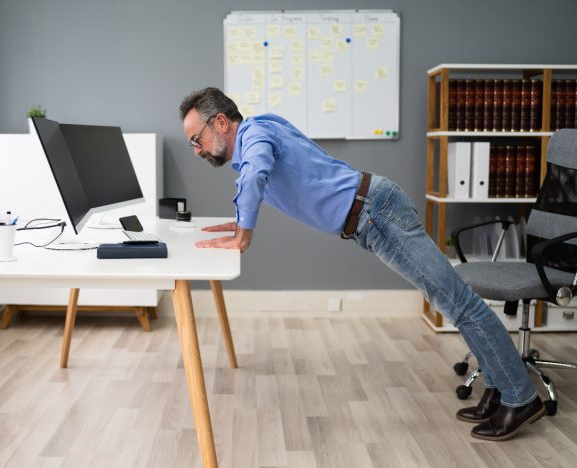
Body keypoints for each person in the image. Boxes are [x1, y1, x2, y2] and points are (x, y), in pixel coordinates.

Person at [179, 87, 546, 441]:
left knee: (458, 301)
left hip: (376, 213)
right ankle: (498, 389)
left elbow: (256, 172)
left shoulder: (255, 135)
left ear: (222, 122)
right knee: (451, 303)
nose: (196, 150)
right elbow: (256, 177)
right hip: (370, 216)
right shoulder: (259, 133)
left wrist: (244, 232)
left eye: (197, 139)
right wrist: (237, 220)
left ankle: (521, 398)